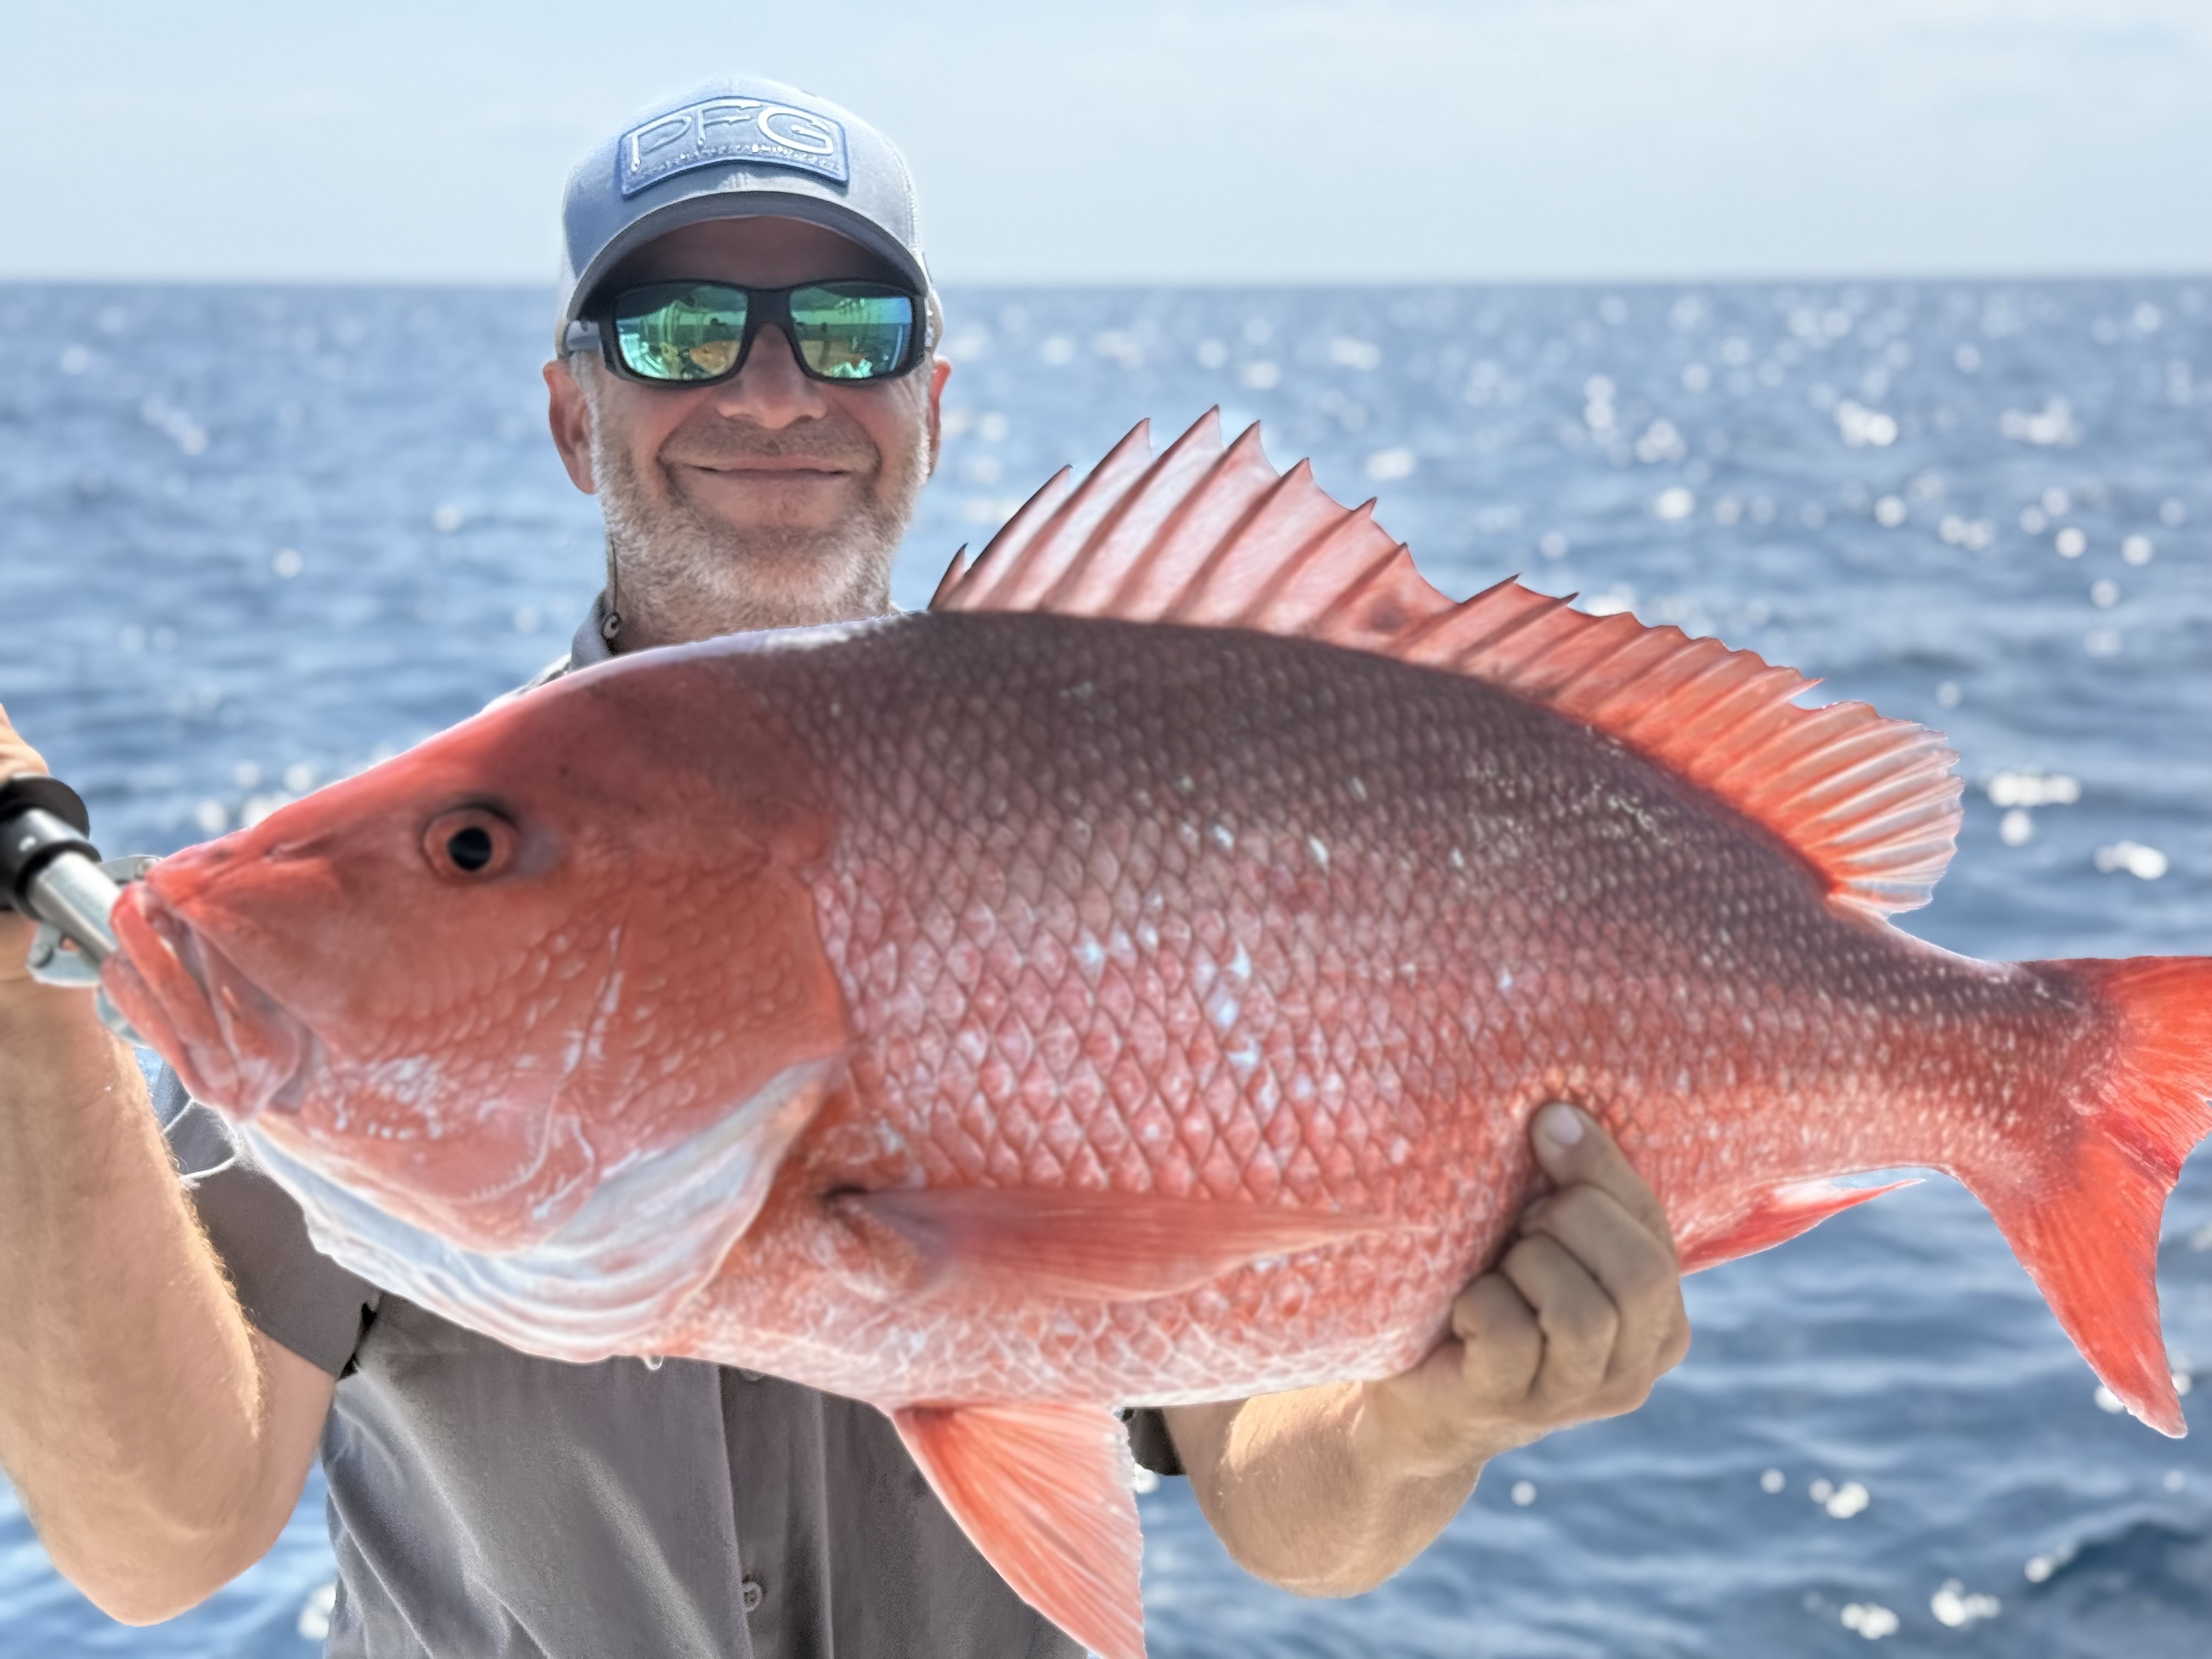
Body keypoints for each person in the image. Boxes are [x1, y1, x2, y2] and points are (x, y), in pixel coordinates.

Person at [0, 77, 1689, 1656]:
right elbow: (163, 1541)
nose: (771, 386)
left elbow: (1282, 1501)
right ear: (574, 418)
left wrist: (1439, 1407)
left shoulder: (1141, 821)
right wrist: (24, 999)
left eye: (847, 327)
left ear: (928, 407)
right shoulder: (415, 906)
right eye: (676, 330)